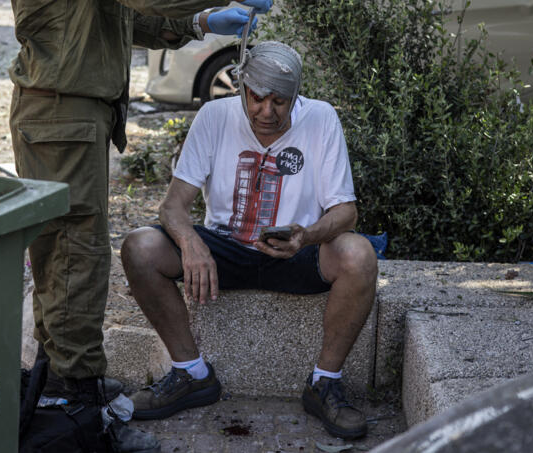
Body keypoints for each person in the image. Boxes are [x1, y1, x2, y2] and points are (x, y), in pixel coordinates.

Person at [8, 0, 274, 448]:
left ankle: (65, 383)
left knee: (65, 257)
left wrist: (198, 26)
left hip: (69, 113)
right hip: (61, 112)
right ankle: (79, 408)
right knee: (78, 257)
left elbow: (122, 16)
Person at [120, 41, 378, 441]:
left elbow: (346, 212)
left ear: (296, 97)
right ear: (241, 88)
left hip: (297, 252)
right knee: (139, 247)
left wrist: (306, 235)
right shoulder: (214, 116)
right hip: (225, 252)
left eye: (280, 101)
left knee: (358, 254)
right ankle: (192, 374)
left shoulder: (321, 118)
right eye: (257, 99)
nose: (267, 112)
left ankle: (325, 384)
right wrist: (192, 244)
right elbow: (172, 207)